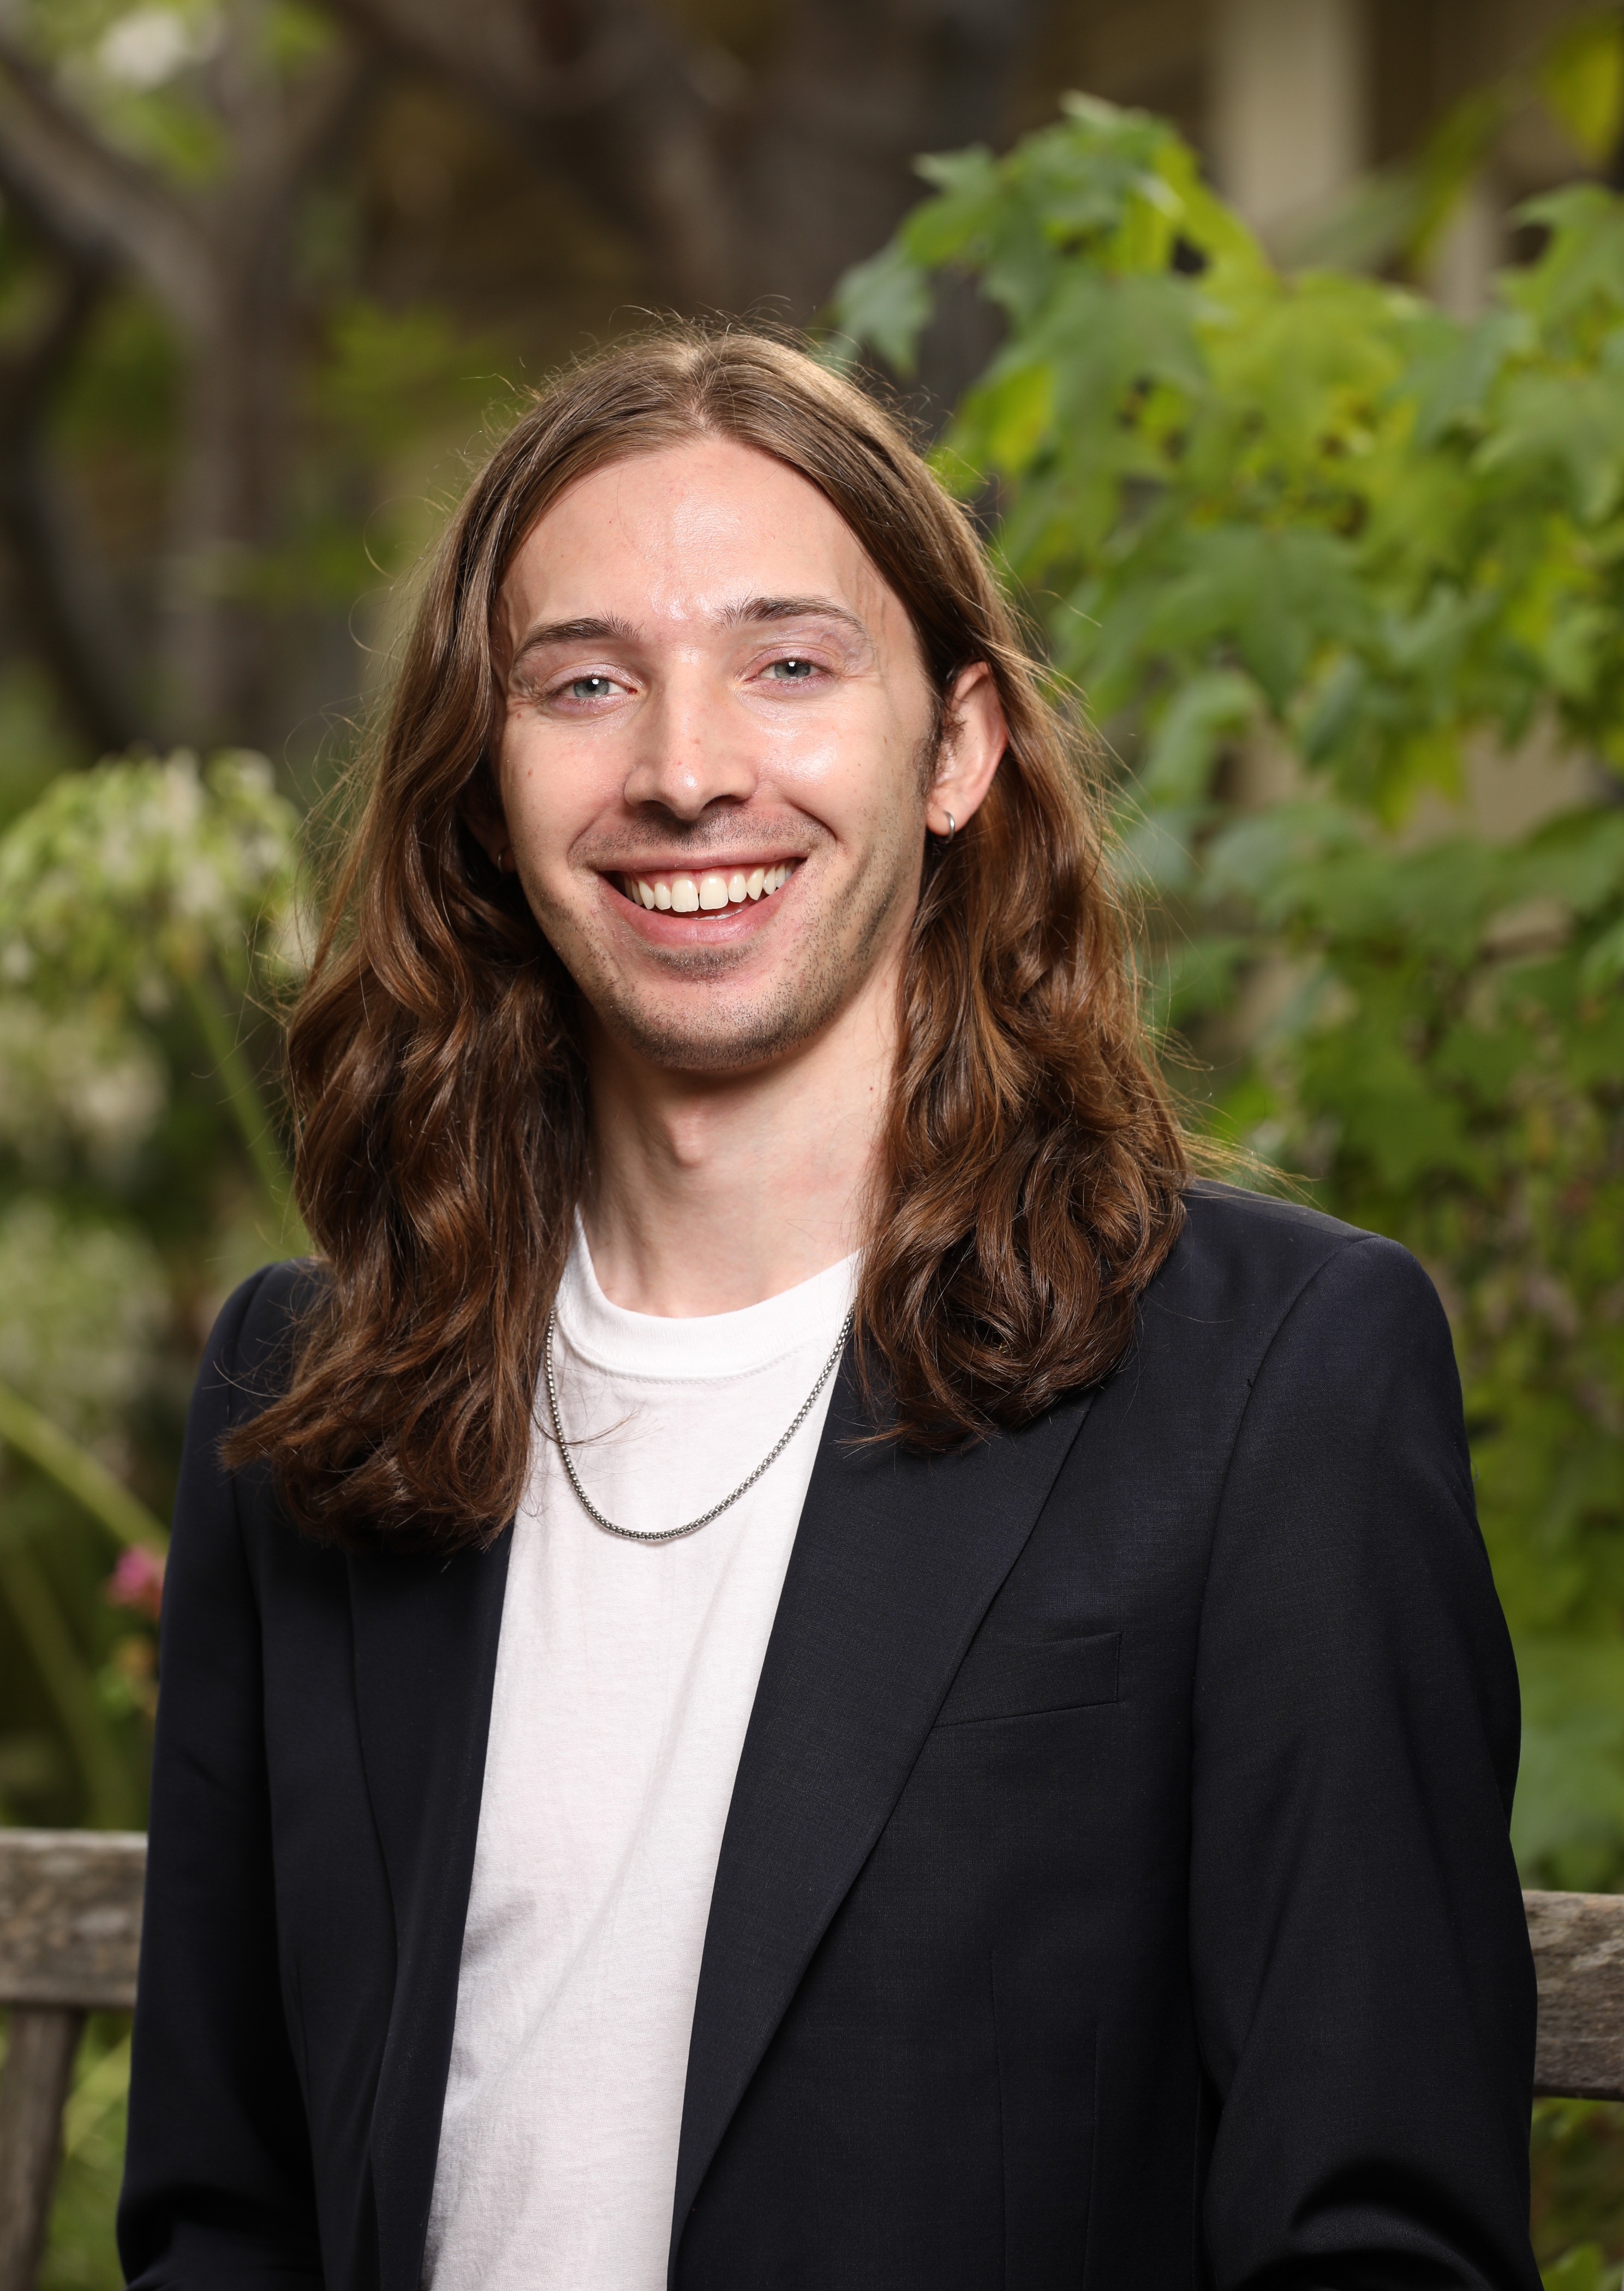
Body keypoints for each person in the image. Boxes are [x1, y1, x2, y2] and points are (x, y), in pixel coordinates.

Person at [118, 330, 1541, 2291]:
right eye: (586, 682)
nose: (686, 771)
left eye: (789, 665)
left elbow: (1376, 2243)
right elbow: (223, 2219)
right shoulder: (310, 1395)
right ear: (483, 778)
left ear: (958, 749)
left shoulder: (1270, 1386)